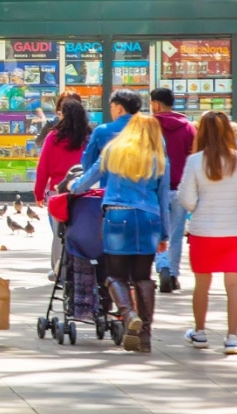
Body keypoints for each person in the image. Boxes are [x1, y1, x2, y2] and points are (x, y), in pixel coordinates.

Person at [70, 114, 171, 354]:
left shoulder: (113, 152)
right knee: (143, 277)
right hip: (148, 218)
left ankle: (129, 314)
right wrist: (164, 233)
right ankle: (144, 336)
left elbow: (87, 180)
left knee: (115, 275)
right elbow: (164, 197)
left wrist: (72, 187)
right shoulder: (159, 159)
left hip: (116, 216)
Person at [177, 111, 237, 354]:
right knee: (233, 285)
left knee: (202, 284)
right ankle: (232, 337)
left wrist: (201, 207)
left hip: (204, 231)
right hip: (235, 231)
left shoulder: (195, 161)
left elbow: (186, 199)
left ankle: (200, 332)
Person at [34, 97, 90, 275]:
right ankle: (82, 266)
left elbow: (43, 167)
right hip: (83, 190)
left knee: (59, 233)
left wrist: (39, 193)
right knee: (82, 230)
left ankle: (59, 269)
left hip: (57, 192)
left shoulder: (53, 137)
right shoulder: (88, 137)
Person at [151, 88, 197, 293]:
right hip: (180, 188)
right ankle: (173, 274)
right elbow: (194, 157)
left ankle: (162, 265)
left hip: (154, 189)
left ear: (156, 105)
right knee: (176, 234)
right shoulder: (188, 128)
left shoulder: (149, 127)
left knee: (157, 232)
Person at [80, 89, 143, 173]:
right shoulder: (151, 131)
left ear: (119, 109)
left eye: (111, 107)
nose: (111, 110)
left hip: (109, 184)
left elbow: (87, 163)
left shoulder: (102, 131)